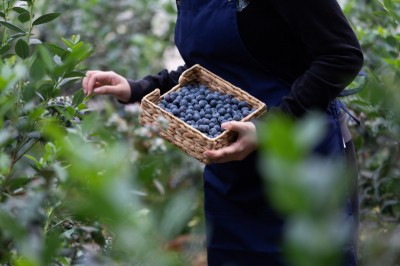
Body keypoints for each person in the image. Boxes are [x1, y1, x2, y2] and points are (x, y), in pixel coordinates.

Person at [82, 0, 364, 265]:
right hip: (233, 178)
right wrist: (137, 89)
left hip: (303, 164)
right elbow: (209, 69)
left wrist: (269, 128)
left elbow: (341, 55)